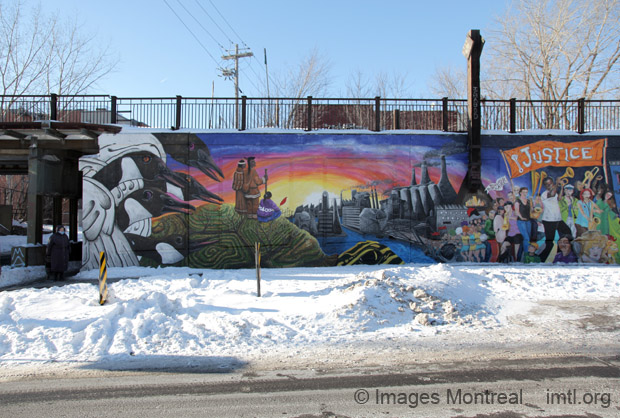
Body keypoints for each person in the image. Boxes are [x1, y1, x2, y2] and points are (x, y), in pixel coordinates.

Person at [539, 176, 572, 262]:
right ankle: (540, 260)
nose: (548, 186)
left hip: (557, 219)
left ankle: (559, 255)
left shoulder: (554, 192)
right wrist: (557, 183)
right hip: (549, 221)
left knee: (567, 232)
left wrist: (561, 187)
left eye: (550, 184)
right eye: (547, 184)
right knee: (549, 244)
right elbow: (552, 193)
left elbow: (559, 198)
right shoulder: (545, 194)